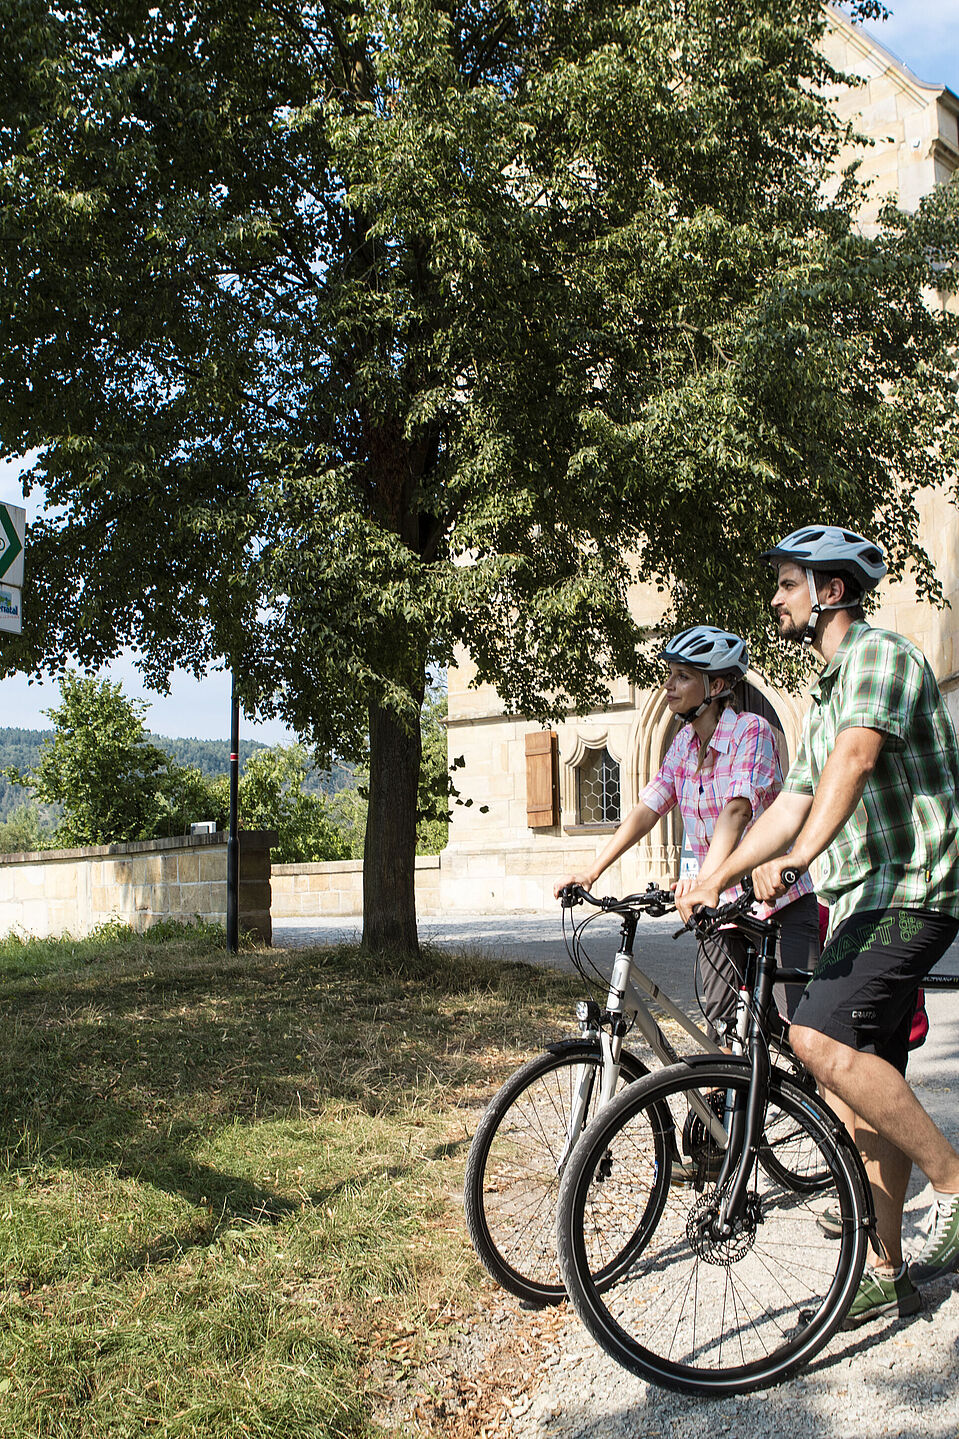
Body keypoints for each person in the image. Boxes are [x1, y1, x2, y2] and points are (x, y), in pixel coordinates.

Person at [677, 524, 959, 1328]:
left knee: (812, 1037)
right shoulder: (828, 690)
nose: (775, 598)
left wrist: (796, 858)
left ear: (829, 590)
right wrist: (715, 877)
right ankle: (884, 1268)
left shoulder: (878, 657)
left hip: (914, 888)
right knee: (865, 1085)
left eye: (786, 582)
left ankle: (953, 1183)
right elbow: (792, 801)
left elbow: (853, 762)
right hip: (865, 899)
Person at [554, 624, 820, 1044]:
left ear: (716, 686)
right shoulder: (682, 745)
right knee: (720, 1031)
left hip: (777, 903)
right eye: (670, 675)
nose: (669, 686)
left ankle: (808, 1083)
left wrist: (706, 883)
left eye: (682, 676)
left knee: (802, 1032)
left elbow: (737, 811)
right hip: (720, 909)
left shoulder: (751, 732)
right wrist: (592, 871)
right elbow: (647, 810)